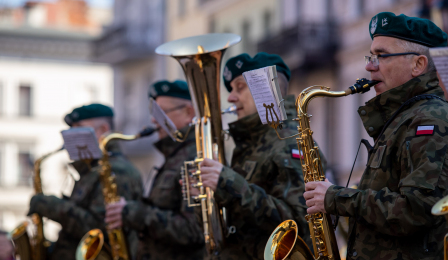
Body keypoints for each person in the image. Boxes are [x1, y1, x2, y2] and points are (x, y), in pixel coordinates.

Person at [304, 12, 448, 259]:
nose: (369, 65)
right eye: (371, 56)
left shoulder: (429, 118)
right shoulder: (403, 116)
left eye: (382, 56)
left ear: (418, 65)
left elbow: (415, 210)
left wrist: (337, 197)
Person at [195, 52, 324, 259]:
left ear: (265, 90)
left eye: (240, 87)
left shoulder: (289, 142)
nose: (230, 97)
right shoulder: (250, 142)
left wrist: (227, 183)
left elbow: (298, 224)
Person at [27, 103, 142, 260]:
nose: (70, 137)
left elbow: (99, 230)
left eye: (79, 128)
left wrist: (51, 206)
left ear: (103, 130)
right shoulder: (91, 169)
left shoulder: (117, 170)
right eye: (70, 130)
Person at [105, 80, 204, 260]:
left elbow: (193, 230)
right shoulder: (175, 156)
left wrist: (132, 213)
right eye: (154, 113)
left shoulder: (193, 158)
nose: (153, 120)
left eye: (162, 113)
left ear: (189, 112)